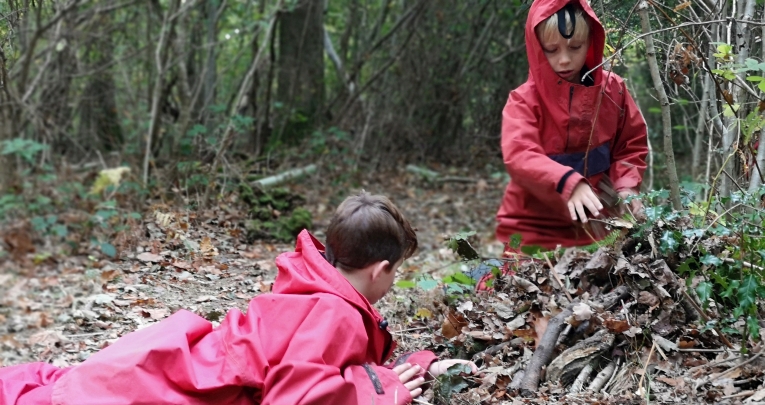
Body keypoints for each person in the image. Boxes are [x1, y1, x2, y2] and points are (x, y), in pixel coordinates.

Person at [0, 192, 477, 404]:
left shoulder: (317, 284)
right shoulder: (336, 313)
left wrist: (420, 364)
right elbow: (295, 396)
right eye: (397, 272)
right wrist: (380, 389)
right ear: (381, 270)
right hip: (186, 387)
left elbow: (332, 365)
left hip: (182, 363)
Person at [496, 0, 648, 251]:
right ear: (537, 47)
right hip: (536, 221)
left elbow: (630, 146)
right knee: (526, 271)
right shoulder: (524, 100)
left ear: (590, 42)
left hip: (598, 218)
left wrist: (626, 186)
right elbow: (520, 155)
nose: (564, 60)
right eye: (551, 50)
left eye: (575, 47)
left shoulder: (613, 90)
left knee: (608, 267)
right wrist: (567, 182)